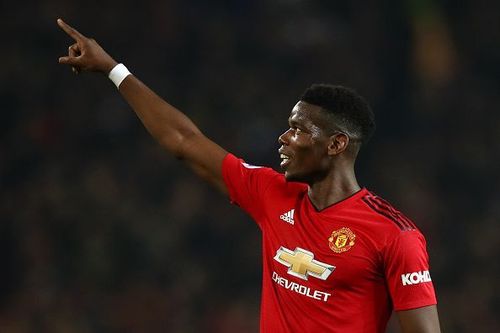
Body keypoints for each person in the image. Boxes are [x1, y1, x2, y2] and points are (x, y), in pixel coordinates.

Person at [56, 18, 441, 333]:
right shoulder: (270, 193)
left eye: (298, 129)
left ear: (337, 144)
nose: (284, 138)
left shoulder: (395, 236)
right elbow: (183, 140)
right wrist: (113, 70)